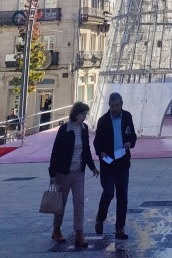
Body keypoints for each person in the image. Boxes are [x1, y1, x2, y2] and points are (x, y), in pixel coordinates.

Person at [48, 101, 99, 247]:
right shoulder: (65, 129)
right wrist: (52, 173)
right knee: (61, 203)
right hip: (63, 172)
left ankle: (79, 234)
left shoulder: (84, 129)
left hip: (78, 173)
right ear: (76, 114)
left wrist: (93, 168)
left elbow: (86, 150)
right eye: (84, 114)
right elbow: (55, 151)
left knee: (79, 202)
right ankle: (56, 230)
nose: (85, 116)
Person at [93, 92, 137, 240]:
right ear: (109, 105)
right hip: (108, 163)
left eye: (117, 105)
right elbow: (96, 142)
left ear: (121, 104)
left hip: (123, 162)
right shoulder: (103, 121)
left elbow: (133, 136)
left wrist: (129, 143)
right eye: (112, 106)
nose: (115, 108)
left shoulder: (127, 117)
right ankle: (100, 217)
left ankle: (120, 228)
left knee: (122, 196)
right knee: (109, 192)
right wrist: (101, 153)